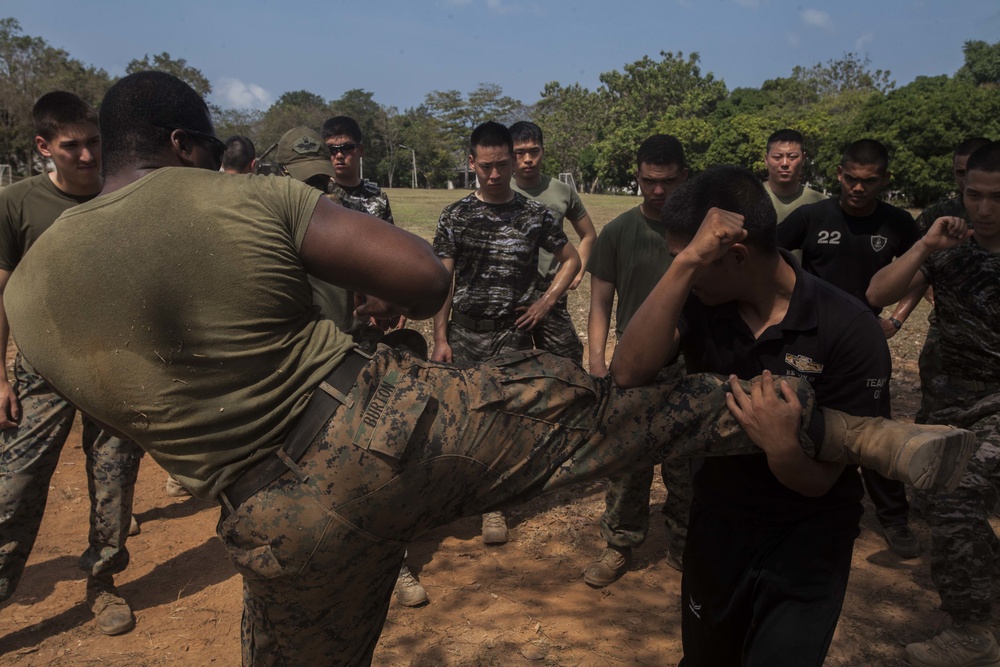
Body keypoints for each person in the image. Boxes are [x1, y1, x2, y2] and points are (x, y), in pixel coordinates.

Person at [4, 72, 974, 667]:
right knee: (604, 414)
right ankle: (857, 429)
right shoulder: (233, 196)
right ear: (184, 144)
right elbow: (423, 279)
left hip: (268, 518)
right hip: (381, 428)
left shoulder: (31, 291)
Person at [612, 165, 897, 665]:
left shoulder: (849, 328)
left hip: (808, 540)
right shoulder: (701, 298)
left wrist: (782, 448)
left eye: (690, 260)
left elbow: (823, 481)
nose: (682, 271)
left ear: (736, 255)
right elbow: (629, 372)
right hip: (718, 524)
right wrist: (687, 265)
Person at [0, 91, 145, 636]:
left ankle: (103, 583)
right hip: (42, 371)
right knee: (12, 487)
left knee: (113, 485)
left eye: (94, 142)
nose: (86, 156)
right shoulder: (17, 204)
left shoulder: (126, 197)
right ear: (44, 147)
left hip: (114, 370)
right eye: (71, 145)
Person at [273, 125, 428, 607]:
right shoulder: (259, 226)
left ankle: (391, 563)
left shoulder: (344, 216)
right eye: (305, 181)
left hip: (350, 356)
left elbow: (381, 272)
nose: (315, 191)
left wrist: (381, 296)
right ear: (279, 176)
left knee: (374, 461)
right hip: (289, 366)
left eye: (321, 181)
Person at [868, 141, 1000, 667]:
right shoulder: (949, 243)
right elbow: (878, 292)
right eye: (974, 195)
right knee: (934, 498)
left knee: (956, 494)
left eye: (997, 198)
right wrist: (925, 247)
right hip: (948, 400)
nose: (984, 209)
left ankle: (972, 634)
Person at [431, 120, 581, 545]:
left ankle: (492, 505)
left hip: (509, 335)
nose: (495, 175)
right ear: (471, 162)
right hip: (463, 333)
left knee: (501, 418)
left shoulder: (534, 215)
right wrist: (440, 338)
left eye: (502, 165)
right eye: (486, 166)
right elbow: (444, 283)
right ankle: (455, 494)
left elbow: (569, 259)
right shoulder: (456, 216)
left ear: (514, 161)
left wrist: (546, 301)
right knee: (460, 418)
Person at [777, 139, 923, 558]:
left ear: (884, 180)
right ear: (839, 174)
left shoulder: (897, 223)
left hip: (865, 346)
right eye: (852, 179)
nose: (858, 188)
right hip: (812, 341)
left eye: (869, 181)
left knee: (873, 428)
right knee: (808, 422)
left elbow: (922, 271)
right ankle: (813, 511)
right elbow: (769, 256)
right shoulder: (812, 215)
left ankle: (894, 518)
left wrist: (896, 318)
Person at [583, 134, 691, 587]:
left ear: (683, 176)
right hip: (632, 362)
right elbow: (601, 303)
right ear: (638, 177)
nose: (658, 191)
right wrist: (595, 358)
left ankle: (687, 545)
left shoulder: (700, 232)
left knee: (689, 460)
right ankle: (620, 544)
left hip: (691, 361)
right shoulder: (619, 232)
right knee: (628, 462)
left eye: (667, 182)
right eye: (649, 181)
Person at [911, 137, 991, 426]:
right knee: (935, 422)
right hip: (950, 337)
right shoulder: (939, 216)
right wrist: (897, 318)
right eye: (960, 173)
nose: (984, 209)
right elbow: (911, 273)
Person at [509, 120, 596, 364]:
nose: (528, 159)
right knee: (514, 362)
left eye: (534, 151)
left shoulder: (562, 191)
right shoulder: (501, 190)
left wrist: (579, 270)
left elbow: (588, 234)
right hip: (511, 291)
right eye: (520, 153)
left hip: (551, 288)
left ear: (543, 151)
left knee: (567, 359)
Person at [320, 115, 394, 223]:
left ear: (361, 150)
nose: (339, 155)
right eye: (331, 149)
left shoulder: (378, 197)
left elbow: (388, 238)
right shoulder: (316, 193)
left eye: (347, 148)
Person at [762, 128, 826, 223]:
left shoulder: (821, 204)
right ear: (766, 159)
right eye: (777, 157)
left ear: (803, 159)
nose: (784, 163)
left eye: (792, 157)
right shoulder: (747, 199)